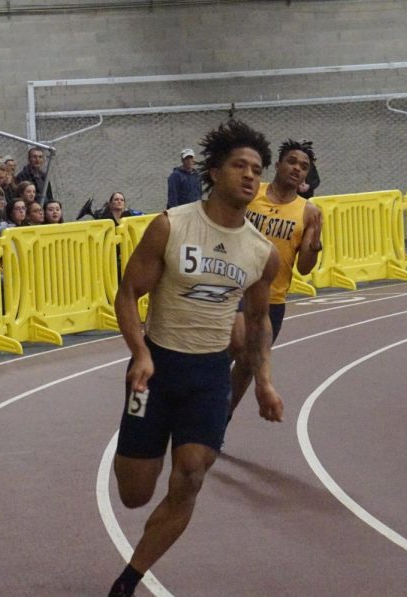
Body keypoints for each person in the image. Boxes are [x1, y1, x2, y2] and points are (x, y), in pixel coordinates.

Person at [107, 119, 283, 597]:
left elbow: (260, 320)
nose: (250, 176)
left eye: (257, 169)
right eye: (240, 166)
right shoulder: (171, 225)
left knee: (190, 477)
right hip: (156, 370)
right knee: (134, 494)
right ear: (214, 171)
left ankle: (130, 578)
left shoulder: (261, 252)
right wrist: (139, 353)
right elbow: (127, 294)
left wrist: (263, 380)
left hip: (209, 376)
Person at [228, 139, 323, 419]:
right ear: (279, 164)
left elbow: (304, 268)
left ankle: (221, 419)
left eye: (304, 167)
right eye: (292, 162)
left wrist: (315, 245)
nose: (297, 169)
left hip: (274, 299)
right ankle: (203, 412)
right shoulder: (253, 194)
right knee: (230, 350)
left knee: (247, 364)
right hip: (236, 289)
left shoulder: (309, 212)